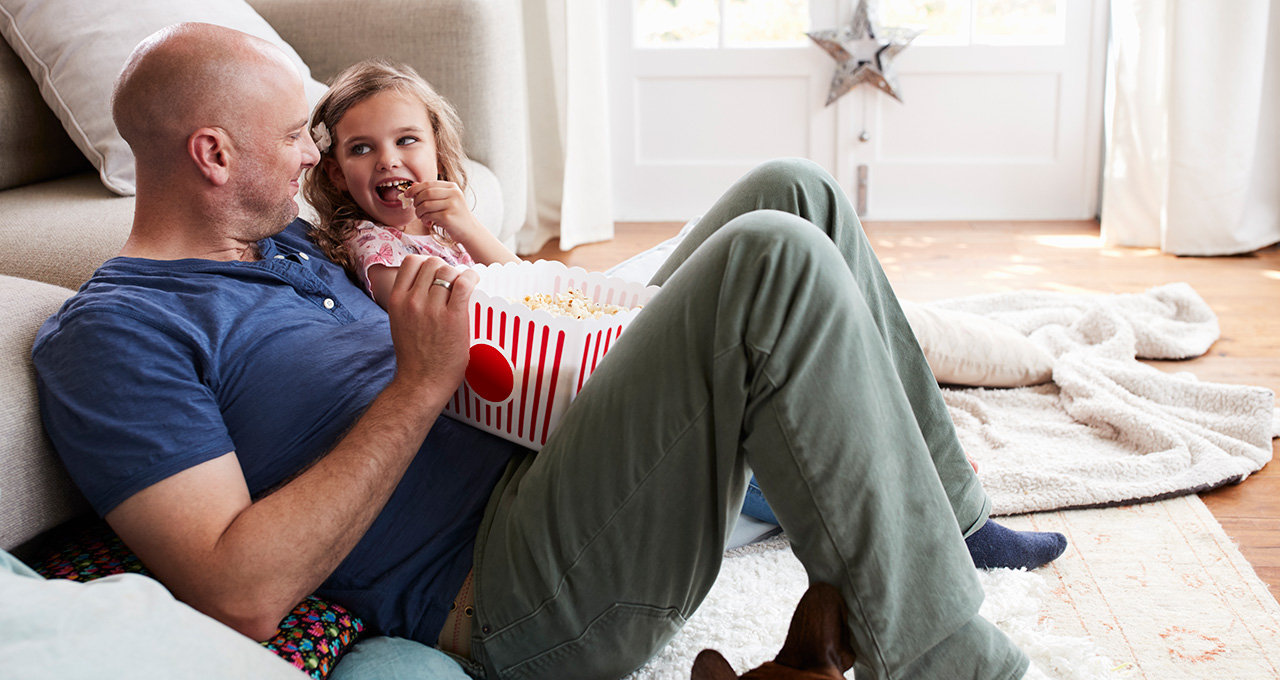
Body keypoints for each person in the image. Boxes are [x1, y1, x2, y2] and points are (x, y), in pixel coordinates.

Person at [31, 22, 1067, 680]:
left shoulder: (292, 248)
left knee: (794, 191)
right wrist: (418, 384)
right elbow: (236, 589)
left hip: (562, 456)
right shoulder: (118, 334)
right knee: (770, 257)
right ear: (211, 154)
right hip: (514, 589)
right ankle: (951, 664)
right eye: (298, 135)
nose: (313, 157)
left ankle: (951, 518)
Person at [302, 59, 519, 308]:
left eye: (405, 140)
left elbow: (529, 285)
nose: (388, 161)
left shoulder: (443, 224)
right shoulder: (370, 246)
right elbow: (441, 318)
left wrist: (469, 228)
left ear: (439, 155)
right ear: (338, 173)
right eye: (361, 148)